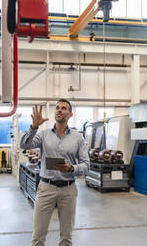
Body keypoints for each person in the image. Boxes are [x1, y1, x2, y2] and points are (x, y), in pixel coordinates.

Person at [20, 99, 90, 246]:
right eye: (57, 108)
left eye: (63, 108)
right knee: (38, 237)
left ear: (70, 114)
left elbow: (86, 166)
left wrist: (71, 168)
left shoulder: (78, 138)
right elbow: (24, 145)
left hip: (68, 189)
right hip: (46, 188)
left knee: (66, 237)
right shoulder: (44, 134)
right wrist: (33, 127)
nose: (59, 110)